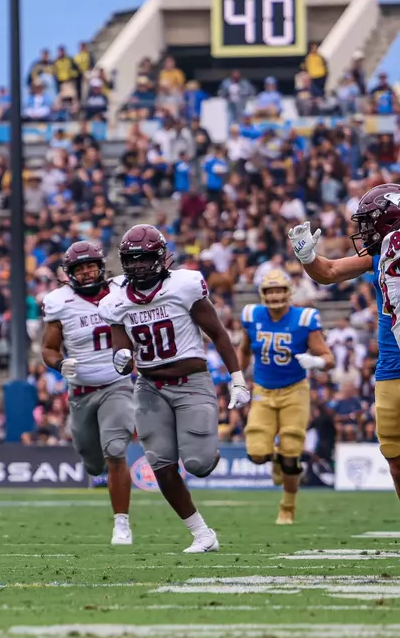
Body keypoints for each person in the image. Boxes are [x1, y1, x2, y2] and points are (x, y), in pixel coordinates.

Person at [100, 225, 250, 553]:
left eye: (144, 259)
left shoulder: (185, 285)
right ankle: (202, 533)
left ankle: (206, 447)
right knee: (161, 466)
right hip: (150, 386)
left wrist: (237, 377)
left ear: (160, 258)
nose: (138, 266)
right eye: (132, 260)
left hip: (191, 382)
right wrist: (122, 358)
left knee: (198, 464)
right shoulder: (115, 301)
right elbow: (121, 358)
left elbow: (218, 332)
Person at [289, 183, 400, 502]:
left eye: (369, 223)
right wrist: (308, 257)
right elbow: (330, 271)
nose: (364, 232)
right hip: (391, 367)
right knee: (395, 459)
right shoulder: (381, 255)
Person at [40, 240, 134, 545]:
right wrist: (60, 364)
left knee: (116, 451)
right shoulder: (59, 302)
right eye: (79, 268)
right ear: (70, 273)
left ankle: (122, 523)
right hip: (81, 391)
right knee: (94, 463)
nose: (87, 272)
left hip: (116, 383)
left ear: (101, 267)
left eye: (91, 266)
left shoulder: (121, 290)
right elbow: (48, 348)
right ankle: (98, 469)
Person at [239, 270, 334, 525]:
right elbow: (245, 349)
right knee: (257, 452)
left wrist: (314, 361)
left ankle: (287, 508)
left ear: (289, 292)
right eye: (270, 291)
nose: (275, 296)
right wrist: (237, 380)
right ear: (263, 294)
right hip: (263, 390)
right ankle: (275, 460)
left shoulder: (304, 318)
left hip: (295, 390)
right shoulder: (252, 315)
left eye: (280, 290)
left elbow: (329, 359)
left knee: (291, 454)